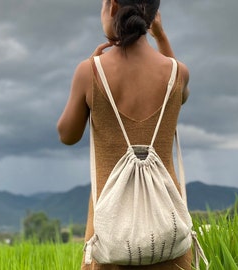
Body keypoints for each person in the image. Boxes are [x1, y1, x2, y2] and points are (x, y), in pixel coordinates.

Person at [57, 0, 191, 269]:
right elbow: (180, 94)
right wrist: (161, 38)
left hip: (110, 233)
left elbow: (67, 135)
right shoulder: (178, 73)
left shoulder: (89, 71)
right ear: (153, 17)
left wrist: (91, 68)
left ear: (113, 7)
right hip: (167, 227)